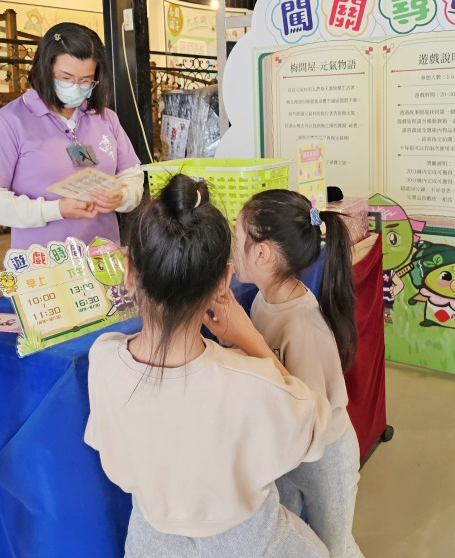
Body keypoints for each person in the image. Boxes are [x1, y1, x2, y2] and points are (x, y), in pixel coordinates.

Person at [85, 174, 335, 558]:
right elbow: (317, 426)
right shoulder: (254, 383)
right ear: (225, 280)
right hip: (252, 543)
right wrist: (252, 341)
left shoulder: (103, 359)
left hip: (149, 542)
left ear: (129, 269)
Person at [234, 190, 364, 558]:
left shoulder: (302, 325)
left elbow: (311, 416)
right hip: (288, 452)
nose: (232, 246)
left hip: (324, 456)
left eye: (237, 237)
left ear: (262, 254)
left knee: (336, 545)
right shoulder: (263, 298)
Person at [0, 23, 143, 249]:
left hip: (103, 258)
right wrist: (54, 210)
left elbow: (132, 175)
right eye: (66, 78)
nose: (76, 87)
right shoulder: (10, 122)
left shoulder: (105, 118)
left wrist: (123, 197)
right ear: (45, 69)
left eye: (86, 80)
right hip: (44, 265)